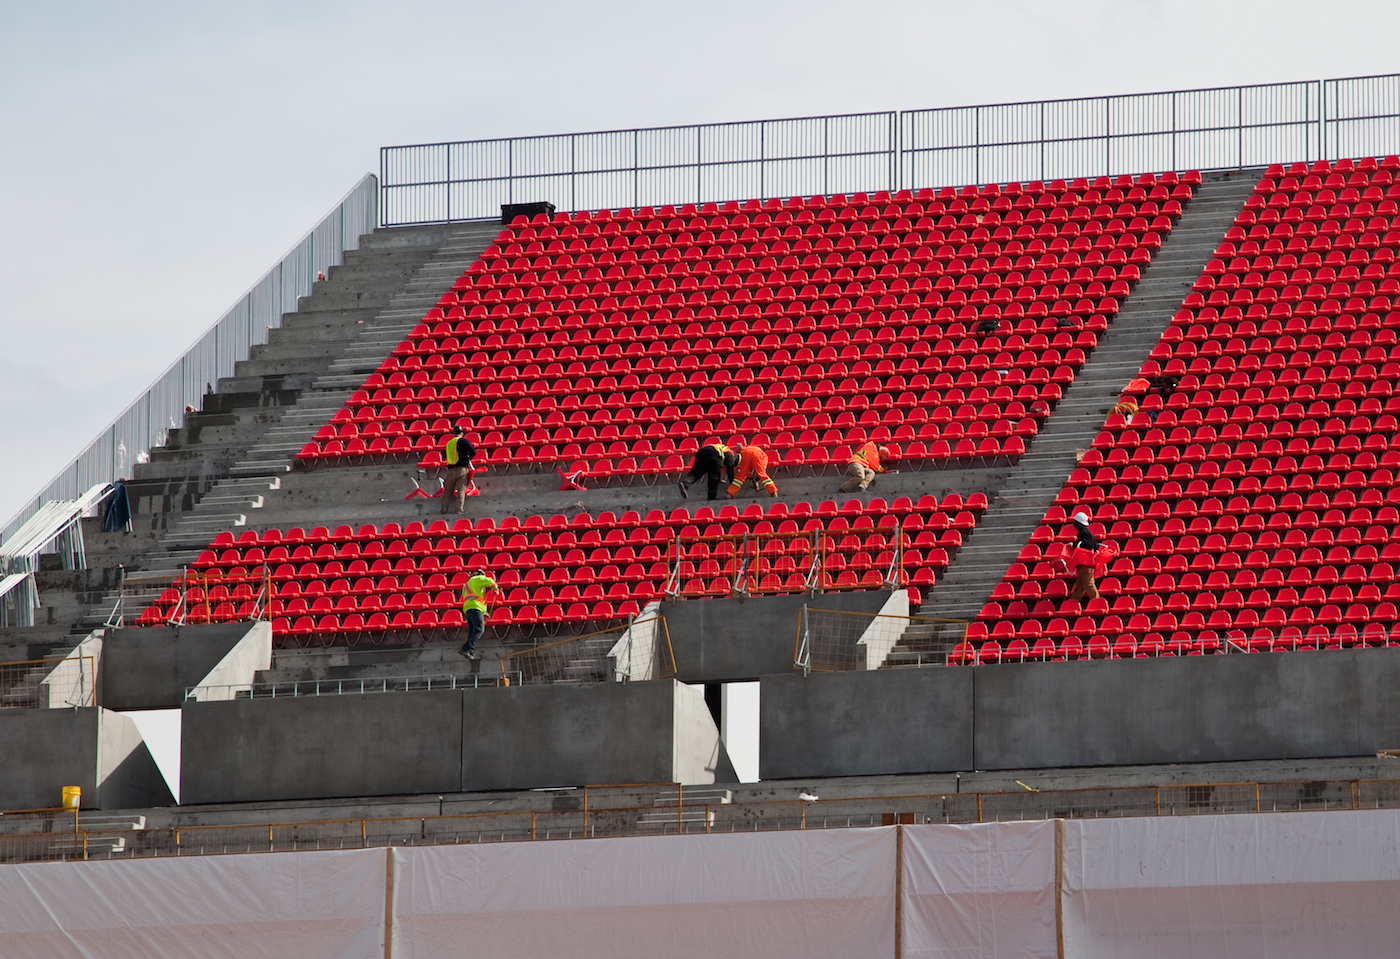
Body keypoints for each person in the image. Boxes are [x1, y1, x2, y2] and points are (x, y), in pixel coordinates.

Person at [458, 568, 497, 660]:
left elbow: (474, 598)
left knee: (472, 632)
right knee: (479, 629)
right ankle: (465, 649)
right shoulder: (477, 578)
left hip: (468, 609)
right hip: (475, 608)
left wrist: (484, 612)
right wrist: (495, 588)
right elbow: (490, 581)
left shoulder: (467, 585)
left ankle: (471, 651)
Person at [440, 426, 477, 514]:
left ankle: (444, 509)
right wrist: (467, 459)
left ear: (453, 433)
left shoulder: (449, 443)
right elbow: (473, 452)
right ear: (462, 433)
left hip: (451, 470)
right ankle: (459, 510)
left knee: (448, 491)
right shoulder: (464, 441)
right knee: (461, 490)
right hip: (462, 469)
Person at [1069, 511, 1100, 602]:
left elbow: (1084, 544)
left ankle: (1097, 601)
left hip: (1085, 562)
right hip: (1087, 562)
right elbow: (1095, 546)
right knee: (1080, 584)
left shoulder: (1083, 533)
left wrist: (1074, 544)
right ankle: (1074, 601)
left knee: (1088, 583)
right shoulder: (1089, 533)